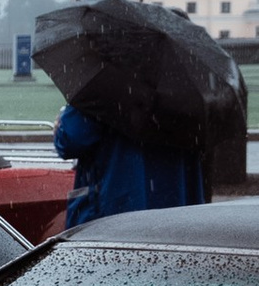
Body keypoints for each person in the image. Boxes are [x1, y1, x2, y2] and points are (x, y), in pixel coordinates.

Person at [53, 98, 207, 229]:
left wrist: (60, 125)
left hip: (116, 211)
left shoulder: (106, 84)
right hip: (179, 214)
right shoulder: (189, 93)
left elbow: (72, 139)